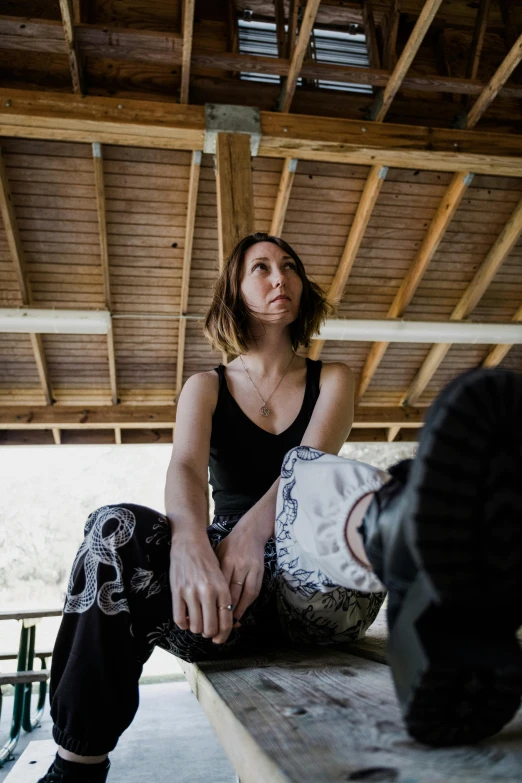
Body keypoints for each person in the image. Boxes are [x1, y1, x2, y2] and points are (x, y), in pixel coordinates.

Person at [39, 233, 522, 782]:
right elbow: (185, 472)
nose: (280, 277)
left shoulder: (333, 379)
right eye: (262, 268)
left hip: (323, 581)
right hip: (218, 608)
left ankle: (422, 539)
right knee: (113, 525)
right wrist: (193, 545)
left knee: (311, 476)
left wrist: (249, 534)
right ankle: (75, 769)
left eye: (289, 266)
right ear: (236, 291)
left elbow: (310, 462)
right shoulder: (206, 386)